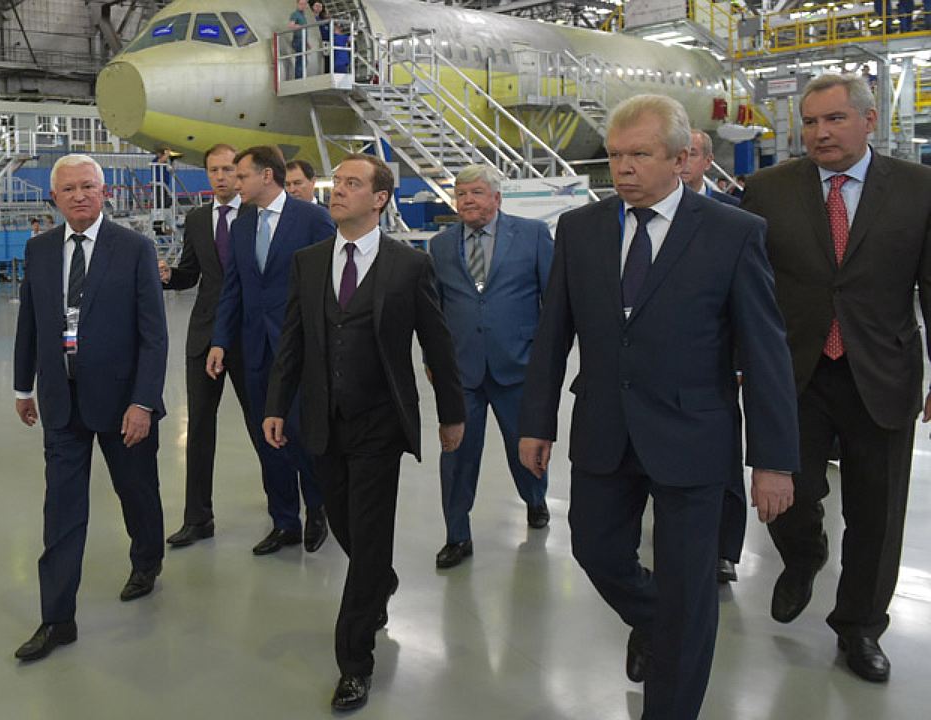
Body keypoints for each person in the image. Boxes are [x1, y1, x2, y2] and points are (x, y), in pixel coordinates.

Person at [518, 95, 800, 720]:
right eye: (615, 155)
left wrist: (773, 460)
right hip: (604, 430)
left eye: (640, 155)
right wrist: (536, 422)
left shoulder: (732, 232)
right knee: (594, 549)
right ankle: (658, 622)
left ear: (679, 158)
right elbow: (553, 333)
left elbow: (765, 352)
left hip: (694, 438)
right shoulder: (581, 230)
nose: (623, 169)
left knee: (689, 590)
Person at [741, 73, 931, 684]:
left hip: (882, 373)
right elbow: (745, 287)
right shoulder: (768, 190)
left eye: (834, 119)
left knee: (878, 514)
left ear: (870, 121)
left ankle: (859, 628)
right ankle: (804, 555)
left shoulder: (919, 189)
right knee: (785, 495)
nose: (820, 133)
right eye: (811, 121)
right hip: (794, 375)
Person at [263, 153, 465, 711]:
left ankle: (354, 662)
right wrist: (277, 404)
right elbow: (293, 340)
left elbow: (438, 344)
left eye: (353, 184)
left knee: (370, 535)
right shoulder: (308, 263)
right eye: (338, 182)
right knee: (347, 525)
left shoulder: (409, 267)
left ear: (379, 199)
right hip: (322, 421)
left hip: (380, 423)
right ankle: (380, 579)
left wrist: (452, 414)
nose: (339, 191)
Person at [12, 154, 168, 662]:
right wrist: (22, 388)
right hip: (62, 402)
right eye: (69, 189)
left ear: (105, 193)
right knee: (61, 511)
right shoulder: (39, 250)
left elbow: (154, 335)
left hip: (124, 404)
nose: (79, 196)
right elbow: (30, 323)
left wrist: (143, 402)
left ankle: (146, 559)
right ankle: (57, 619)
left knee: (136, 491)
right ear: (54, 198)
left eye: (88, 186)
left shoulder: (134, 248)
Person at [207, 145, 334, 556]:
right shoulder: (243, 224)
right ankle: (284, 520)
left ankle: (318, 509)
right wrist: (220, 340)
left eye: (241, 175)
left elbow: (330, 287)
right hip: (254, 349)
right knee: (267, 438)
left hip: (300, 349)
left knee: (301, 432)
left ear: (266, 176)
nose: (234, 183)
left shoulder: (312, 219)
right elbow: (233, 287)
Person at [428, 164, 553, 570]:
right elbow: (434, 310)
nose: (467, 200)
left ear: (497, 197)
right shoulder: (440, 246)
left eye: (477, 192)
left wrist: (545, 358)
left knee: (525, 446)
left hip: (518, 366)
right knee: (457, 454)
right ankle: (457, 534)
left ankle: (535, 498)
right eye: (461, 193)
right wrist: (433, 360)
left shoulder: (533, 235)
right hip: (461, 371)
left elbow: (553, 302)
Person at [159, 144, 259, 548]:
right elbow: (191, 274)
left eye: (229, 169)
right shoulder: (198, 219)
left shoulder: (257, 215)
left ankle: (286, 508)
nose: (221, 177)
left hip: (250, 335)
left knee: (263, 423)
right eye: (214, 170)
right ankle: (198, 518)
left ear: (241, 173)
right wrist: (169, 276)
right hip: (204, 334)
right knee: (199, 426)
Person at [681, 129, 745, 584]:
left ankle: (725, 550)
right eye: (677, 153)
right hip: (663, 362)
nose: (682, 161)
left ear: (707, 162)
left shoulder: (734, 217)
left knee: (723, 459)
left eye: (691, 154)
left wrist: (740, 360)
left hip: (718, 362)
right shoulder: (636, 216)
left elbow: (747, 301)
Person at [287, 0, 310, 79]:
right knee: (300, 60)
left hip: (302, 40)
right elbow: (290, 26)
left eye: (304, 4)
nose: (303, 6)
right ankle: (299, 78)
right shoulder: (295, 14)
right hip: (298, 40)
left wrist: (307, 42)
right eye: (301, 4)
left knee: (303, 60)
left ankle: (301, 77)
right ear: (297, 4)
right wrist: (300, 27)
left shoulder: (303, 16)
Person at [311, 0, 330, 74]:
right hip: (317, 43)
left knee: (327, 62)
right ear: (312, 7)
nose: (318, 7)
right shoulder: (312, 19)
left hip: (326, 44)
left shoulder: (323, 20)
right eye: (316, 6)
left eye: (320, 6)